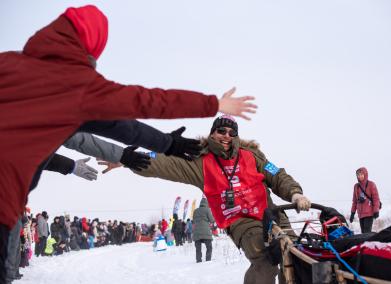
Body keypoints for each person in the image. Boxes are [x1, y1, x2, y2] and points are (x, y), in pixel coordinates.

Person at [0, 5, 257, 280]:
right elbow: (141, 104)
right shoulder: (78, 86)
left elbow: (85, 135)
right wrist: (209, 106)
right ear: (94, 45)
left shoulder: (7, 63)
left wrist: (127, 156)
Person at [100, 115, 311, 283]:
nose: (226, 136)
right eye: (221, 131)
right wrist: (124, 158)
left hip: (271, 213)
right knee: (265, 261)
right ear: (213, 133)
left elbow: (277, 175)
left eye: (231, 132)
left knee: (294, 256)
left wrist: (295, 193)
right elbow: (164, 163)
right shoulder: (199, 161)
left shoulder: (253, 155)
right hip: (240, 221)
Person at [350, 167, 381, 233]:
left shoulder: (371, 184)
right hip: (360, 214)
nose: (360, 176)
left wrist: (376, 211)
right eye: (358, 175)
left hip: (369, 213)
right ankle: (366, 243)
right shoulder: (356, 186)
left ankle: (369, 242)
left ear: (365, 174)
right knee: (363, 232)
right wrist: (352, 213)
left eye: (361, 174)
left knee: (367, 232)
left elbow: (376, 198)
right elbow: (354, 201)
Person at [192, 198, 214, 263]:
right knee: (209, 247)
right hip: (206, 232)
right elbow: (212, 220)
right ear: (206, 204)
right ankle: (208, 260)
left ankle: (198, 260)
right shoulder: (207, 210)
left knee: (198, 248)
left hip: (196, 232)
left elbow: (193, 220)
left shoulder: (195, 211)